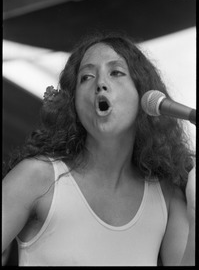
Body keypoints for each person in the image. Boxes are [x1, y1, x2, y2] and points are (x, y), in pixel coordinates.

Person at [2, 31, 195, 266]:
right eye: (86, 77)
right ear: (74, 104)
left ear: (144, 96)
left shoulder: (167, 197)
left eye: (116, 73)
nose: (100, 84)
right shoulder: (37, 177)